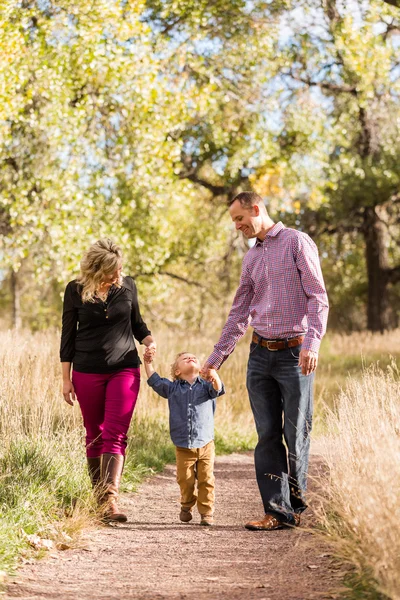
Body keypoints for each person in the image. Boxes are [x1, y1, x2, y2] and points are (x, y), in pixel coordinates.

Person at [202, 192, 329, 531]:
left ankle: (295, 506)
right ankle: (276, 512)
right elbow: (239, 313)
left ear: (256, 209)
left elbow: (318, 297)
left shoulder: (297, 243)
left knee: (296, 433)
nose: (237, 225)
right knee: (267, 435)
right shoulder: (251, 259)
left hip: (294, 353)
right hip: (259, 356)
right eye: (234, 221)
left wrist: (312, 344)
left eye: (239, 218)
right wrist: (215, 360)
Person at [60, 238, 156, 522]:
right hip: (86, 369)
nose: (118, 276)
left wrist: (150, 342)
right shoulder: (74, 290)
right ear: (95, 269)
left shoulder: (128, 286)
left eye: (120, 269)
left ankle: (110, 499)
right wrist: (65, 379)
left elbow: (138, 324)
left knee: (116, 432)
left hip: (124, 368)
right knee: (94, 433)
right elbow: (67, 336)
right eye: (112, 271)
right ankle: (98, 499)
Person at [145, 352, 225, 526]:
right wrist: (148, 363)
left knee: (206, 479)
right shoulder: (172, 388)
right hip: (183, 445)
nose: (191, 358)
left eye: (194, 357)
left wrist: (214, 375)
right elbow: (155, 381)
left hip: (205, 443)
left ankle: (206, 512)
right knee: (185, 480)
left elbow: (218, 389)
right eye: (184, 358)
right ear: (177, 371)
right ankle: (186, 505)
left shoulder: (206, 385)